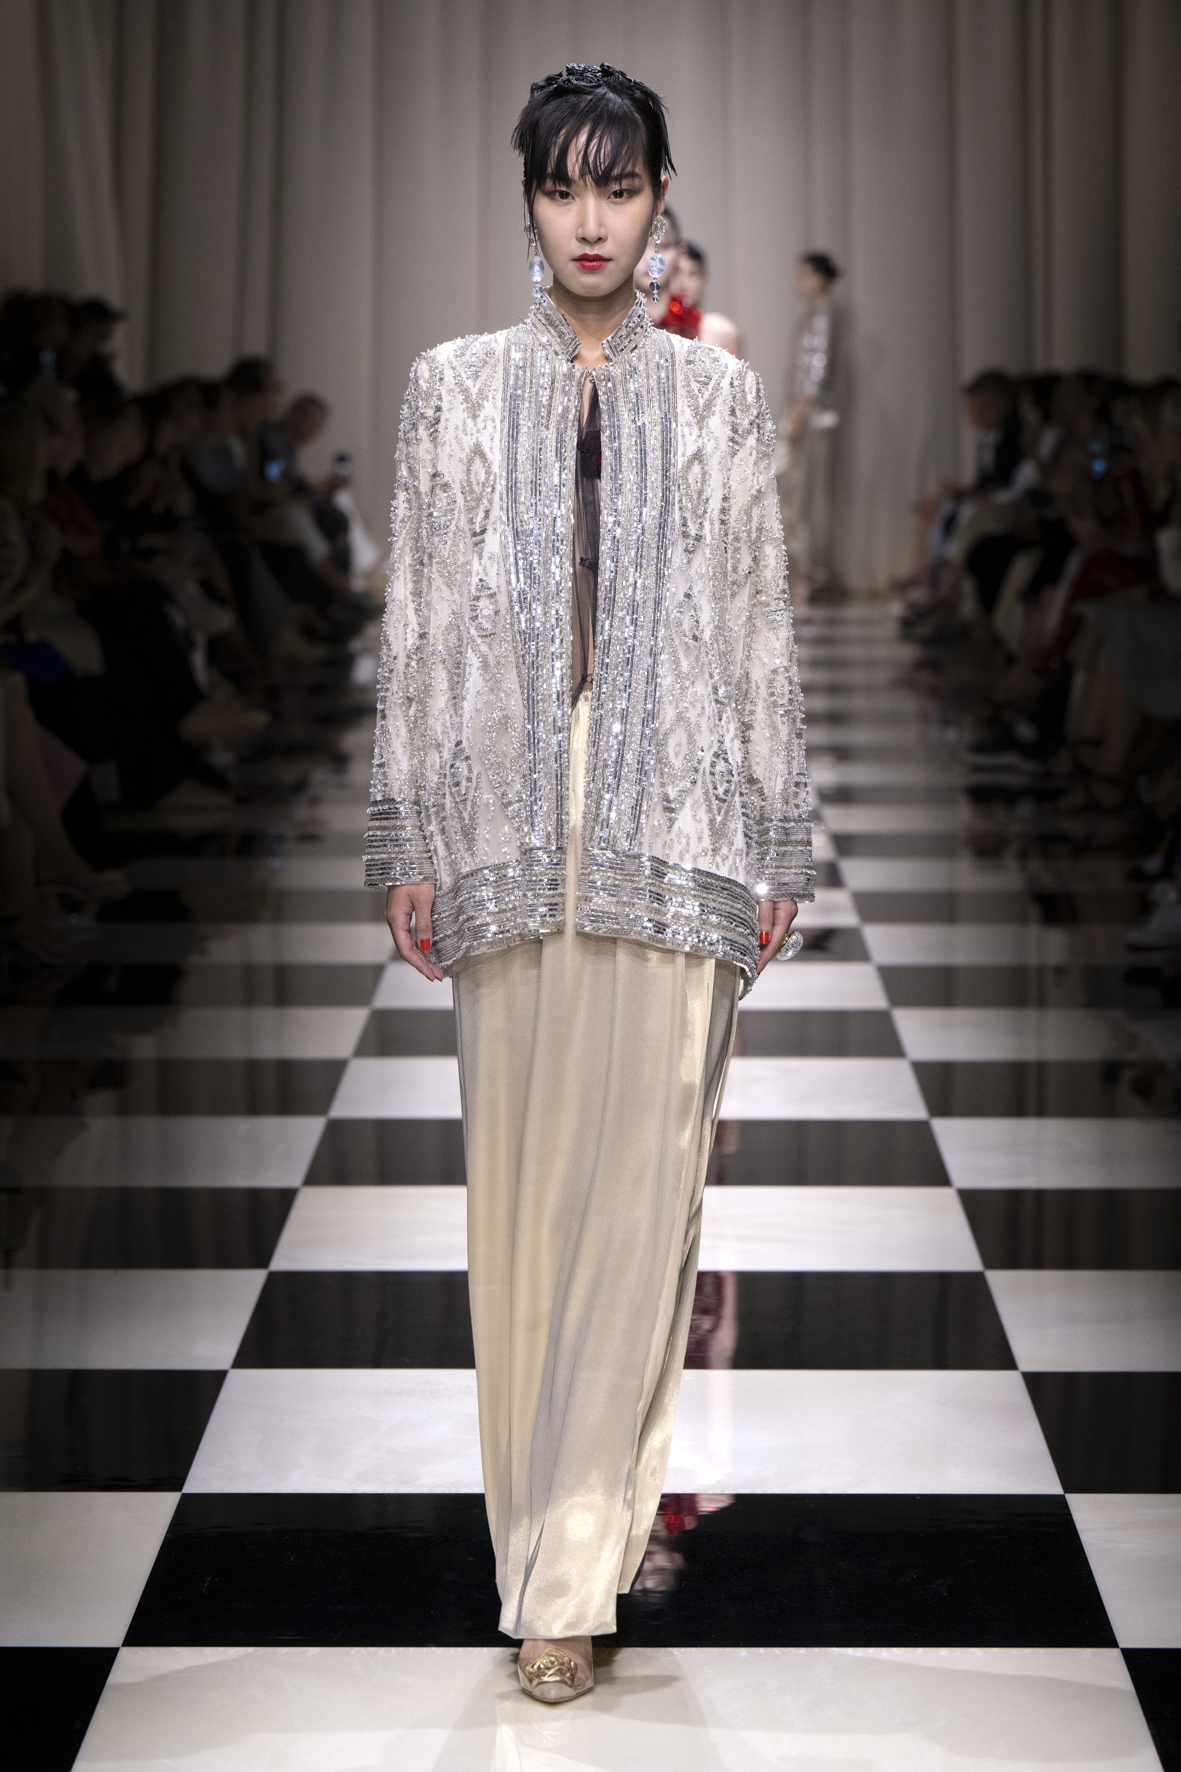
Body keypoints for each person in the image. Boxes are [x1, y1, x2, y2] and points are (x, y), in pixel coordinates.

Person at [366, 61, 812, 1703]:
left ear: (661, 196)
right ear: (528, 202)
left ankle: (570, 1575)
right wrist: (406, 829)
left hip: (675, 827)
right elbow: (416, 620)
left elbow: (758, 617)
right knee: (522, 1213)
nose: (589, 220)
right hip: (502, 827)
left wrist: (775, 834)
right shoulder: (449, 388)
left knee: (642, 1208)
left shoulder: (719, 400)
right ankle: (549, 1541)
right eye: (561, 188)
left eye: (616, 187)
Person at [778, 250, 841, 594]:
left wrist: (800, 415)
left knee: (798, 494)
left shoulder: (822, 316)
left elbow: (817, 369)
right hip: (806, 413)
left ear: (820, 278)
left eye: (805, 275)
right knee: (795, 493)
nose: (798, 283)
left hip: (811, 417)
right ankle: (802, 570)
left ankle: (804, 572)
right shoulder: (814, 313)